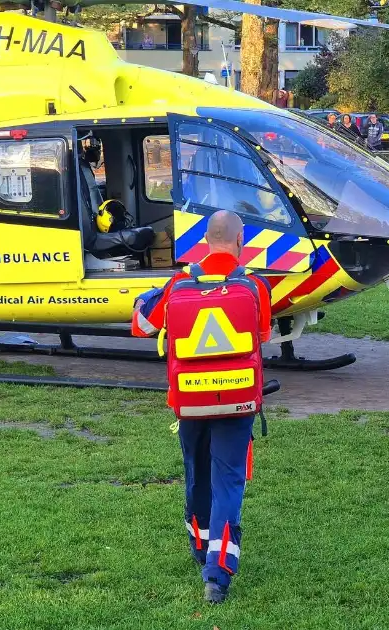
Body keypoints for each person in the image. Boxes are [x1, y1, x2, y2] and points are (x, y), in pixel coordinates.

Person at [131, 210, 273, 604]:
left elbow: (142, 325)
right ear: (241, 241)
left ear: (206, 240)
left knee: (197, 474)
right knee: (228, 479)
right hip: (237, 400)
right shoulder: (256, 286)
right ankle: (217, 573)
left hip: (189, 401)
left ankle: (200, 545)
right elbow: (261, 335)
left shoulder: (179, 282)